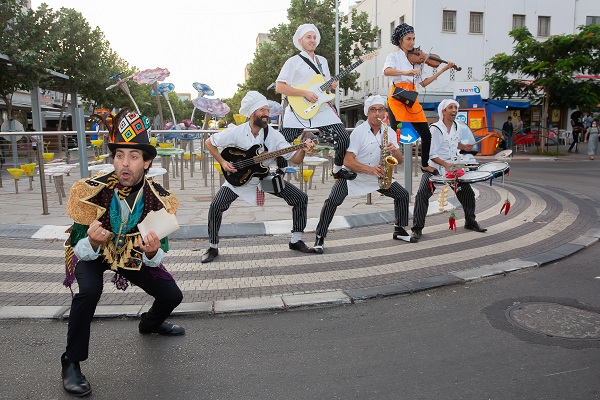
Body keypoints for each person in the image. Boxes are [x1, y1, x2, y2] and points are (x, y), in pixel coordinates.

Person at [60, 109, 184, 397]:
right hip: (92, 253)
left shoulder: (158, 199)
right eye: (119, 155)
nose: (124, 164)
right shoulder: (90, 192)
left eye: (133, 156)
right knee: (89, 291)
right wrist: (92, 242)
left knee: (172, 296)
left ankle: (150, 323)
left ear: (147, 161)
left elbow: (158, 251)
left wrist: (152, 252)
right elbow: (78, 245)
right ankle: (71, 362)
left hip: (130, 255)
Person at [201, 91, 317, 263]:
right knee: (216, 206)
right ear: (252, 113)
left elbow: (295, 160)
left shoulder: (274, 135)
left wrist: (302, 149)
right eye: (262, 110)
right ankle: (212, 247)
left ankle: (296, 240)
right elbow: (209, 143)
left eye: (267, 111)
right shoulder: (237, 132)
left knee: (300, 198)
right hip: (238, 179)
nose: (266, 114)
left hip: (263, 178)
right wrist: (223, 162)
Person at [313, 95, 417, 253]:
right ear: (367, 113)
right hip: (353, 176)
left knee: (402, 195)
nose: (377, 113)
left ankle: (399, 230)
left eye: (380, 109)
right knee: (333, 200)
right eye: (373, 110)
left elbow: (400, 160)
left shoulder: (388, 131)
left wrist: (395, 151)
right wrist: (370, 170)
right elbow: (347, 161)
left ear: (385, 112)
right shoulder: (358, 132)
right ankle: (319, 237)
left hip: (378, 176)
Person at [275, 23, 356, 181]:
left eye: (314, 37)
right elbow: (280, 87)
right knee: (281, 142)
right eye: (308, 37)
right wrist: (304, 92)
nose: (312, 40)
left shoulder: (322, 61)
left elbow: (323, 87)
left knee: (343, 137)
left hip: (320, 107)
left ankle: (338, 169)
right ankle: (280, 171)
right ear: (300, 41)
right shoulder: (293, 62)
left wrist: (331, 85)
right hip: (299, 108)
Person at [383, 23, 456, 174]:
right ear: (400, 40)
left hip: (411, 97)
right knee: (394, 132)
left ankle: (424, 164)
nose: (411, 42)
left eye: (413, 39)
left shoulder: (419, 61)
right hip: (397, 96)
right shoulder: (394, 56)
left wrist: (442, 69)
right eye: (408, 38)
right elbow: (387, 71)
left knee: (426, 134)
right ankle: (388, 162)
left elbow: (423, 83)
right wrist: (406, 72)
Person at [411, 99, 487, 240]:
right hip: (435, 168)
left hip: (453, 167)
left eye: (455, 108)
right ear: (443, 111)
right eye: (450, 108)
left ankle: (470, 222)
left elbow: (453, 143)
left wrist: (463, 146)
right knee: (422, 194)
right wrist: (446, 166)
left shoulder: (457, 126)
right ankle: (417, 229)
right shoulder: (435, 128)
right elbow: (432, 154)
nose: (454, 110)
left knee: (468, 194)